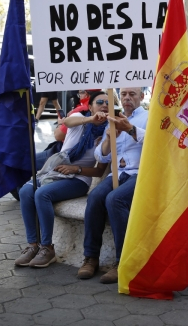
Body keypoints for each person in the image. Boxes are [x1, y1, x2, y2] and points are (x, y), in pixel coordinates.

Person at [15, 92, 109, 268]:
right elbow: (67, 122)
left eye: (108, 103)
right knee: (26, 191)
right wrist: (91, 120)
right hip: (55, 172)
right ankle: (32, 245)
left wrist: (76, 168)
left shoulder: (108, 132)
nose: (104, 105)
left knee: (42, 194)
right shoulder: (80, 118)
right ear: (90, 107)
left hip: (78, 180)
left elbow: (98, 171)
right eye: (100, 102)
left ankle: (47, 247)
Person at [77, 87, 148, 284]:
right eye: (124, 94)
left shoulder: (149, 117)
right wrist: (109, 139)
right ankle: (91, 257)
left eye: (132, 94)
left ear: (141, 97)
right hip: (118, 174)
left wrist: (131, 130)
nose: (127, 98)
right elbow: (101, 156)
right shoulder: (113, 118)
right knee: (95, 197)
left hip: (140, 174)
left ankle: (123, 261)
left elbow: (156, 143)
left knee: (115, 200)